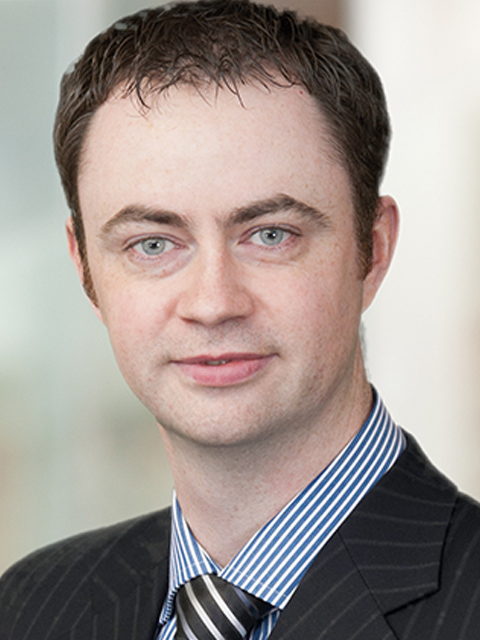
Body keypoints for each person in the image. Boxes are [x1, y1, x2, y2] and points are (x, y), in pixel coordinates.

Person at [1, 1, 480, 638]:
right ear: (85, 266)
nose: (213, 303)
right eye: (153, 244)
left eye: (270, 234)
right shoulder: (31, 609)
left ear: (373, 249)